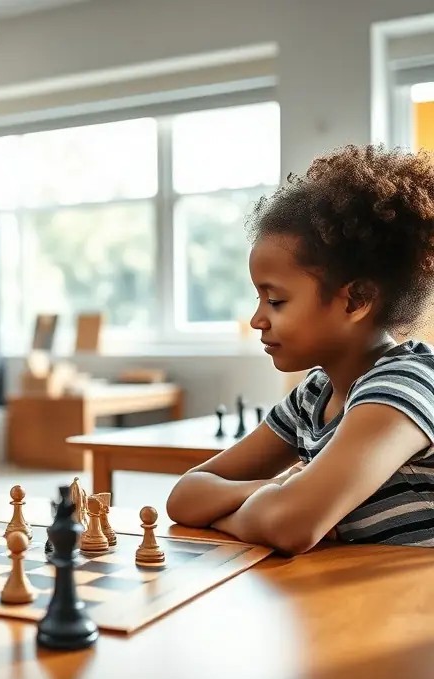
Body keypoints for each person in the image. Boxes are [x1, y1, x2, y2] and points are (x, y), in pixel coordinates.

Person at [166, 144, 434, 555]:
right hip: (354, 600)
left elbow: (291, 525)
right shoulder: (314, 395)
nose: (257, 319)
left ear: (355, 300)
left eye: (275, 301)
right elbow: (184, 496)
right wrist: (276, 489)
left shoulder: (405, 386)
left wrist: (280, 504)